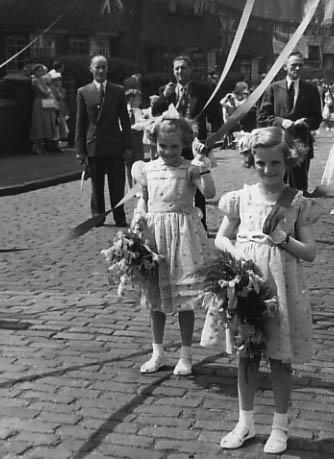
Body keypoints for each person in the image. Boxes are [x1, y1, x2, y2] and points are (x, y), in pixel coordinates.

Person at [214, 127, 321, 455]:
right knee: (247, 355)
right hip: (248, 287)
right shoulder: (241, 198)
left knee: (279, 358)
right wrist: (235, 258)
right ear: (251, 160)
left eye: (275, 164)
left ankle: (280, 426)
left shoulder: (296, 202)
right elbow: (220, 237)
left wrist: (283, 240)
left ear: (288, 161)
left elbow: (311, 252)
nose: (267, 170)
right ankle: (245, 422)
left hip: (280, 287)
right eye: (260, 163)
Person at [132, 114, 215, 377]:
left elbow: (209, 192)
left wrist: (201, 164)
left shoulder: (190, 168)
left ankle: (186, 354)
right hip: (155, 237)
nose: (168, 152)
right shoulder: (146, 169)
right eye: (162, 146)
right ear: (153, 143)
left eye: (175, 147)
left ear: (185, 144)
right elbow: (144, 199)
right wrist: (138, 216)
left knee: (184, 300)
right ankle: (157, 352)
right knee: (155, 298)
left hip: (182, 237)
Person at [156, 55, 222, 230]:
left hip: (194, 145)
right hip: (172, 145)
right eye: (176, 68)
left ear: (190, 70)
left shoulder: (203, 89)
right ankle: (176, 223)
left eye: (183, 68)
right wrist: (164, 96)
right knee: (174, 183)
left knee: (197, 182)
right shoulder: (167, 90)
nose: (179, 71)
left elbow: (215, 111)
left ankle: (201, 226)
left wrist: (215, 135)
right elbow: (155, 111)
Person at [74, 55, 132, 227]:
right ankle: (97, 216)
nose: (100, 71)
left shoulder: (118, 90)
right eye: (97, 67)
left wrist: (127, 146)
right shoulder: (83, 92)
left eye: (103, 67)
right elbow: (80, 123)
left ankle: (119, 216)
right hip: (94, 145)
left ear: (107, 69)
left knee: (117, 185)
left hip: (114, 145)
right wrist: (80, 151)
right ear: (91, 69)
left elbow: (125, 121)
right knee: (96, 185)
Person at [258, 52, 322, 196]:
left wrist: (305, 122)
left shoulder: (311, 89)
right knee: (276, 184)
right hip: (277, 145)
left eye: (300, 65)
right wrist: (282, 122)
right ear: (285, 67)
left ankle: (297, 216)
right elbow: (262, 117)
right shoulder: (274, 88)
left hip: (301, 145)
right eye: (294, 65)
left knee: (299, 188)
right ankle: (275, 217)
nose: (297, 68)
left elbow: (317, 119)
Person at [29, 64, 59, 155]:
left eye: (42, 70)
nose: (41, 72)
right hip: (39, 103)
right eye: (39, 70)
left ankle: (41, 147)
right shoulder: (35, 81)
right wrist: (49, 89)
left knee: (46, 124)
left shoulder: (42, 80)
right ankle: (36, 146)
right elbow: (44, 92)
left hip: (46, 103)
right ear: (35, 72)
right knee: (40, 124)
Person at [125, 88, 150, 188]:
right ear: (131, 99)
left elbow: (142, 123)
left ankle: (137, 187)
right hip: (127, 139)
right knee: (128, 164)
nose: (140, 102)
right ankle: (130, 186)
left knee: (138, 162)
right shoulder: (123, 111)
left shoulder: (139, 112)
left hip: (137, 139)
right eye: (138, 99)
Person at [219, 81, 250, 148]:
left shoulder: (235, 104)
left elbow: (242, 103)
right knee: (227, 134)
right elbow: (221, 102)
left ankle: (233, 144)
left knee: (235, 133)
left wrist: (246, 97)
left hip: (234, 122)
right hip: (227, 122)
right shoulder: (227, 105)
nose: (231, 99)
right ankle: (227, 144)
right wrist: (226, 96)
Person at [48, 69, 69, 151]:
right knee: (56, 128)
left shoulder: (59, 89)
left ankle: (57, 145)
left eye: (60, 79)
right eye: (56, 80)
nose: (58, 81)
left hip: (61, 110)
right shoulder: (52, 89)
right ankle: (53, 146)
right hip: (55, 110)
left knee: (61, 129)